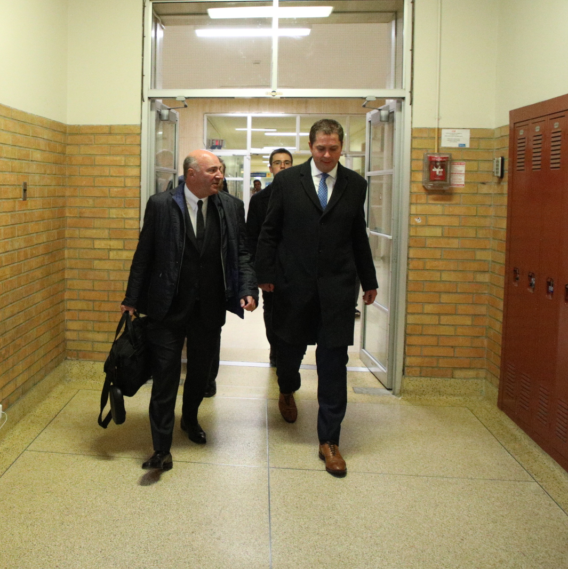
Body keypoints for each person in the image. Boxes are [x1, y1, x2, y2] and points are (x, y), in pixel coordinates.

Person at [122, 150, 258, 472]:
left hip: (209, 306)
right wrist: (132, 297)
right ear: (191, 174)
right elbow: (145, 253)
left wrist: (247, 289)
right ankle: (161, 448)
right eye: (212, 170)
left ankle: (191, 418)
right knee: (165, 375)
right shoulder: (160, 205)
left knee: (200, 372)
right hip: (167, 305)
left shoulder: (231, 207)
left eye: (221, 170)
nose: (219, 175)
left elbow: (241, 253)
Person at [256, 119, 378, 478]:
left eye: (333, 149)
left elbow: (358, 235)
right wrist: (265, 276)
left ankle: (329, 440)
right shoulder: (286, 182)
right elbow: (270, 231)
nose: (326, 155)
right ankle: (287, 387)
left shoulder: (355, 185)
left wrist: (368, 279)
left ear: (342, 148)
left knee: (333, 363)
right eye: (321, 148)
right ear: (310, 146)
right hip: (294, 285)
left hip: (338, 289)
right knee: (289, 351)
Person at [246, 148, 293, 368]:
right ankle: (275, 349)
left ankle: (290, 351)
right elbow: (253, 239)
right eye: (278, 163)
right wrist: (259, 273)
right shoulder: (259, 200)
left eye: (287, 163)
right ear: (270, 168)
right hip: (271, 270)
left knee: (294, 312)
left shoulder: (302, 195)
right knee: (272, 311)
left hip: (296, 268)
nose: (282, 166)